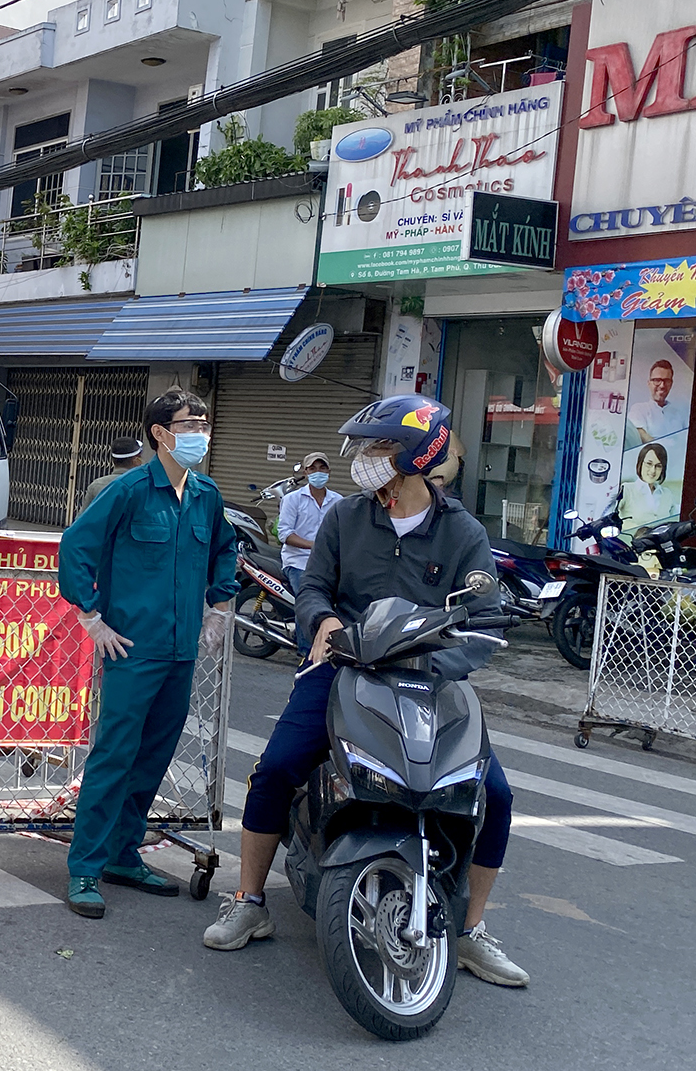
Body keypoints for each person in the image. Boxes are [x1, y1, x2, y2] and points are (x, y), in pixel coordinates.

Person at [200, 394, 529, 988]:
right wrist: (322, 623)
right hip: (342, 668)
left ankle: (472, 931)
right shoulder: (346, 518)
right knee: (276, 768)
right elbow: (313, 589)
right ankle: (249, 900)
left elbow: (482, 623)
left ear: (415, 454)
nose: (366, 459)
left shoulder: (462, 533)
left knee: (494, 794)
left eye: (379, 447)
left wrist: (439, 660)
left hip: (428, 683)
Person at [57, 389, 237, 918]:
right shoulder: (130, 489)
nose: (199, 431)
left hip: (181, 652)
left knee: (153, 755)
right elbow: (76, 545)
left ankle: (123, 853)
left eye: (204, 421)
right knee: (115, 755)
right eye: (189, 423)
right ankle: (85, 867)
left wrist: (220, 605)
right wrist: (91, 617)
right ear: (160, 433)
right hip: (133, 648)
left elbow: (225, 549)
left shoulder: (206, 493)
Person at [277, 451, 341, 593]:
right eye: (312, 468)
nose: (318, 472)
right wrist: (314, 546)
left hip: (328, 564)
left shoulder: (338, 501)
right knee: (308, 604)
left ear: (329, 471)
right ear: (306, 473)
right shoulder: (292, 499)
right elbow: (284, 534)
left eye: (322, 468)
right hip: (298, 563)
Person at [78, 436, 145, 514]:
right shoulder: (142, 487)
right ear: (136, 460)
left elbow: (81, 521)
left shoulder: (97, 485)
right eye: (140, 457)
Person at [630, 359, 689, 444]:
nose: (662, 385)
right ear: (649, 383)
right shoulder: (639, 409)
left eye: (666, 381)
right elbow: (640, 434)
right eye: (657, 380)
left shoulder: (680, 414)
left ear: (671, 384)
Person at [626, 440, 675, 529]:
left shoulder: (667, 494)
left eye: (658, 466)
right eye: (649, 464)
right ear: (640, 463)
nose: (653, 470)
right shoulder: (626, 489)